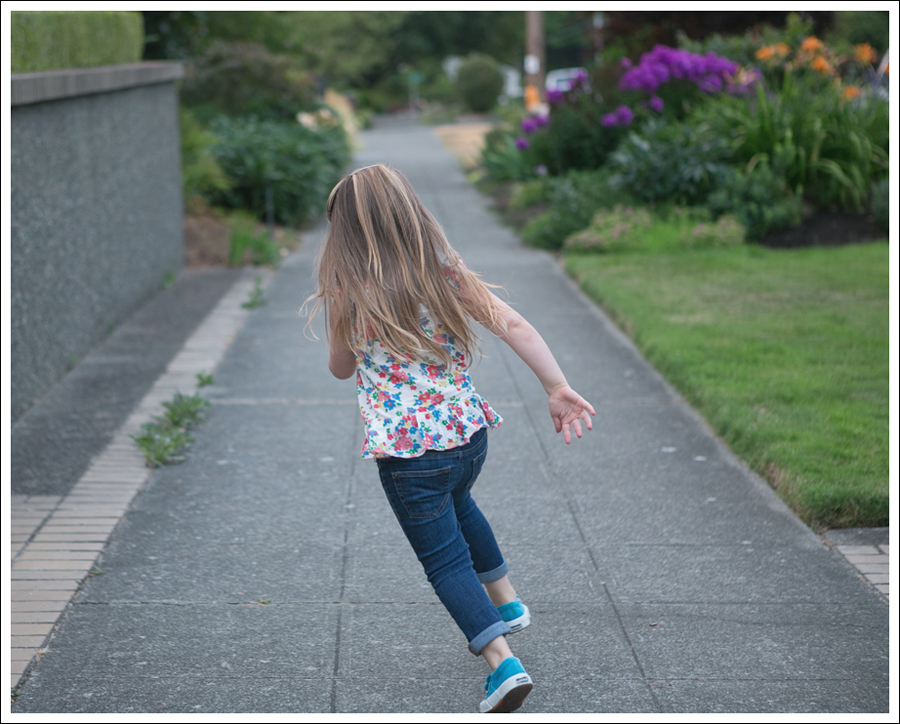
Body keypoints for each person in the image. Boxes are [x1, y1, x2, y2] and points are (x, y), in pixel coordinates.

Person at [304, 164, 595, 713]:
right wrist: (556, 386)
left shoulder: (346, 291)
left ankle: (503, 664)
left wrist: (344, 323)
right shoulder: (441, 269)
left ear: (341, 232)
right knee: (460, 500)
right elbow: (515, 326)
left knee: (444, 562)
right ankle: (506, 603)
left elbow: (341, 368)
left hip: (409, 457)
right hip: (467, 437)